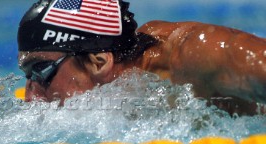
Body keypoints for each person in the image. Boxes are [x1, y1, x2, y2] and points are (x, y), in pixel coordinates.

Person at [18, 0, 266, 115]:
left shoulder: (197, 55)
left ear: (99, 62)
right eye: (28, 78)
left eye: (40, 71)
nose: (30, 98)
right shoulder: (125, 94)